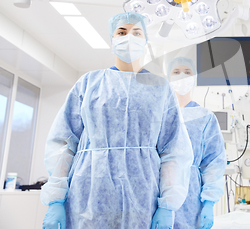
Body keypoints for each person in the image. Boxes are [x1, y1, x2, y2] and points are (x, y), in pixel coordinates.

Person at [41, 12, 194, 229]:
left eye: (137, 32)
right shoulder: (89, 83)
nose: (129, 37)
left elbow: (173, 150)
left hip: (143, 199)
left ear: (146, 41)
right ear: (112, 40)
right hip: (87, 197)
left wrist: (168, 205)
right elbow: (64, 143)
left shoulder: (160, 88)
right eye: (122, 32)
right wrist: (56, 197)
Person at [166, 57, 226, 229]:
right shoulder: (160, 115)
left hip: (192, 200)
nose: (182, 76)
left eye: (187, 72)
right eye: (176, 72)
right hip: (158, 195)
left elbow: (213, 162)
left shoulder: (205, 117)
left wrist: (208, 202)